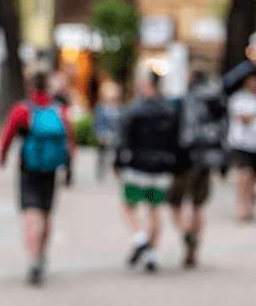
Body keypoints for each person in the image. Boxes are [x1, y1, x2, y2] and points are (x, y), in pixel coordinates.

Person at [0, 65, 75, 285]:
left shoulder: (23, 109)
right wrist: (70, 169)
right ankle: (41, 255)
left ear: (30, 85)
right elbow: (71, 140)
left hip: (28, 169)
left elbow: (7, 135)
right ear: (48, 85)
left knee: (31, 215)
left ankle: (32, 259)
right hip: (52, 170)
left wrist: (1, 158)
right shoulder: (60, 110)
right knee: (47, 214)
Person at [114, 71, 181, 272]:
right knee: (154, 209)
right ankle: (150, 252)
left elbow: (122, 137)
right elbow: (177, 140)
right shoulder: (170, 108)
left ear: (146, 83)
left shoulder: (135, 108)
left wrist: (117, 163)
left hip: (137, 166)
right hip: (161, 167)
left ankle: (140, 240)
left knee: (129, 207)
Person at [167, 69, 227, 267]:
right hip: (208, 159)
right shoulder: (216, 100)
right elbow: (223, 130)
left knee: (175, 203)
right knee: (198, 205)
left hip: (185, 159)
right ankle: (194, 247)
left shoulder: (185, 100)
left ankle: (186, 234)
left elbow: (179, 131)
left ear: (190, 79)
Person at [227, 72, 256, 221]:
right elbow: (243, 119)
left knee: (252, 179)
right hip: (242, 144)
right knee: (245, 174)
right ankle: (241, 205)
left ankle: (249, 205)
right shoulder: (239, 98)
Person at [93, 81, 122, 182]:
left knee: (116, 154)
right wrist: (101, 134)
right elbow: (97, 122)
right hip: (104, 135)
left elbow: (121, 123)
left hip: (116, 136)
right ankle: (101, 175)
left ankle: (116, 171)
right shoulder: (100, 106)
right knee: (102, 154)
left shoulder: (119, 107)